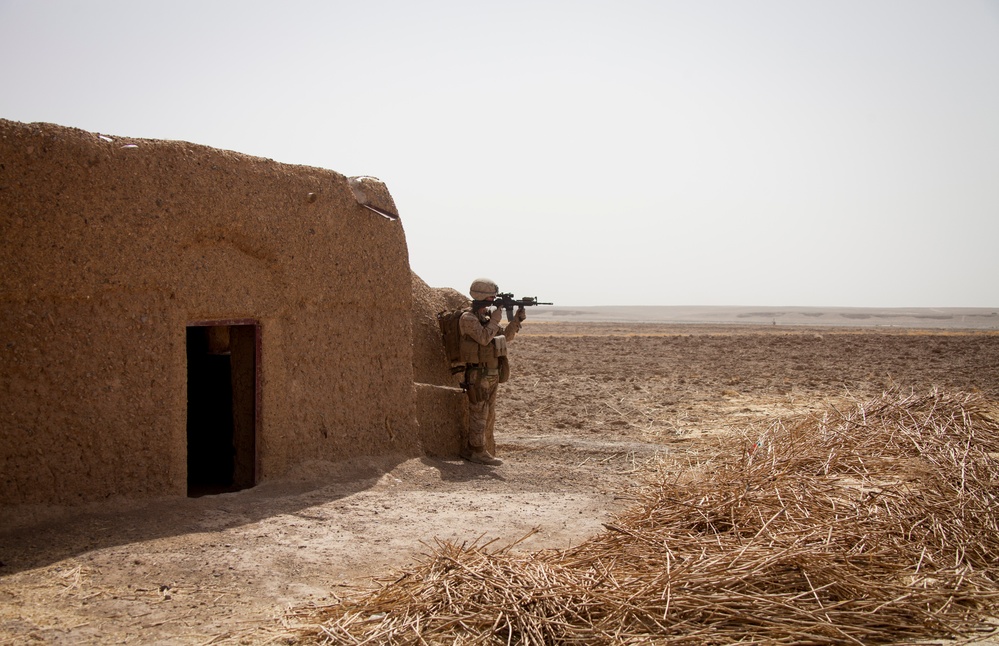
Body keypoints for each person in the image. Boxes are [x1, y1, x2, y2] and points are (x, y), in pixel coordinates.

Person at [458, 278, 526, 466]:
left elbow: (504, 337)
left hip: (492, 371)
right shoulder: (468, 318)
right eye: (491, 298)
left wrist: (516, 320)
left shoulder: (486, 318)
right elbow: (483, 338)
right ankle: (476, 452)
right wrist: (496, 317)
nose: (493, 301)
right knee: (479, 412)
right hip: (478, 373)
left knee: (487, 413)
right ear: (481, 297)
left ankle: (479, 448)